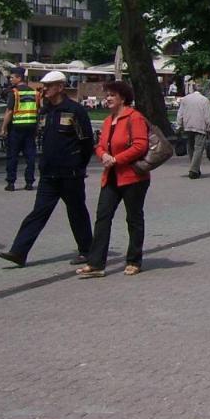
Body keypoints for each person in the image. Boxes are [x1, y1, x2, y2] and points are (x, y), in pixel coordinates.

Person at [0, 71, 94, 268]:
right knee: (38, 213)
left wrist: (79, 165)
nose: (44, 90)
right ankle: (19, 252)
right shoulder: (46, 111)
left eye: (48, 86)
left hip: (70, 174)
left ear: (59, 87)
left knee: (77, 212)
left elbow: (86, 142)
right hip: (49, 174)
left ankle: (87, 251)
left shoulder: (75, 111)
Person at [77, 81, 150, 278]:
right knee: (103, 216)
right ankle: (96, 263)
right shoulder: (109, 120)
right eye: (107, 95)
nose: (107, 98)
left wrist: (117, 159)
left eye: (111, 95)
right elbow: (100, 145)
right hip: (111, 176)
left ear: (123, 98)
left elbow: (140, 146)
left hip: (133, 177)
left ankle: (134, 260)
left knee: (133, 218)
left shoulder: (134, 118)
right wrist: (103, 156)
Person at [0, 67, 38, 191]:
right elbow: (38, 110)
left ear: (19, 78)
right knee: (30, 157)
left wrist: (3, 128)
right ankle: (29, 182)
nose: (10, 79)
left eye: (12, 77)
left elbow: (9, 112)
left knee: (12, 156)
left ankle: (11, 183)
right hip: (31, 128)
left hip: (16, 128)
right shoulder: (34, 93)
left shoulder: (15, 93)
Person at [175, 83, 210, 179]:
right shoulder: (204, 100)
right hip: (200, 126)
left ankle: (195, 168)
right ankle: (193, 170)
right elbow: (207, 115)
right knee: (198, 148)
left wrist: (179, 125)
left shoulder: (185, 99)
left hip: (188, 125)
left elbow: (180, 113)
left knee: (190, 147)